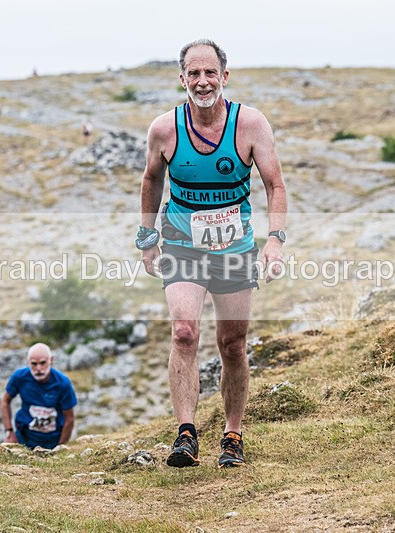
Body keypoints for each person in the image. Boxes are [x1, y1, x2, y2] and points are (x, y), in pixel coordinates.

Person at [138, 39, 287, 468]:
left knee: (233, 344)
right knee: (184, 331)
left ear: (224, 76)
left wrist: (275, 240)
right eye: (194, 73)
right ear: (182, 79)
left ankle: (232, 435)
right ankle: (186, 434)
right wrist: (147, 237)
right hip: (182, 244)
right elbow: (151, 180)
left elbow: (274, 184)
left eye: (210, 73)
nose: (202, 82)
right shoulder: (165, 129)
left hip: (235, 247)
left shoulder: (250, 124)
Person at [0, 343, 77, 449]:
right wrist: (9, 431)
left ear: (51, 360)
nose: (38, 368)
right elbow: (5, 401)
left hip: (53, 440)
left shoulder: (63, 383)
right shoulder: (19, 377)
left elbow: (69, 419)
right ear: (28, 362)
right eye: (34, 364)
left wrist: (61, 447)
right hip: (24, 437)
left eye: (42, 363)